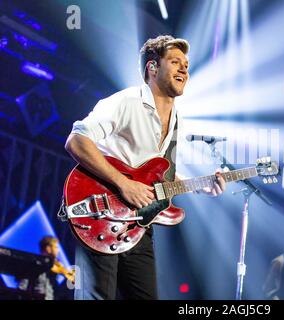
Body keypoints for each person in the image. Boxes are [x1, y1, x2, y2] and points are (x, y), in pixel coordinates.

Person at [65, 35, 226, 300]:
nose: (184, 68)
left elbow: (158, 175)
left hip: (138, 224)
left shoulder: (177, 122)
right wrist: (124, 184)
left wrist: (202, 185)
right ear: (152, 67)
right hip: (100, 213)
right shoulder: (126, 101)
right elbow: (77, 141)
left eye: (185, 64)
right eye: (175, 62)